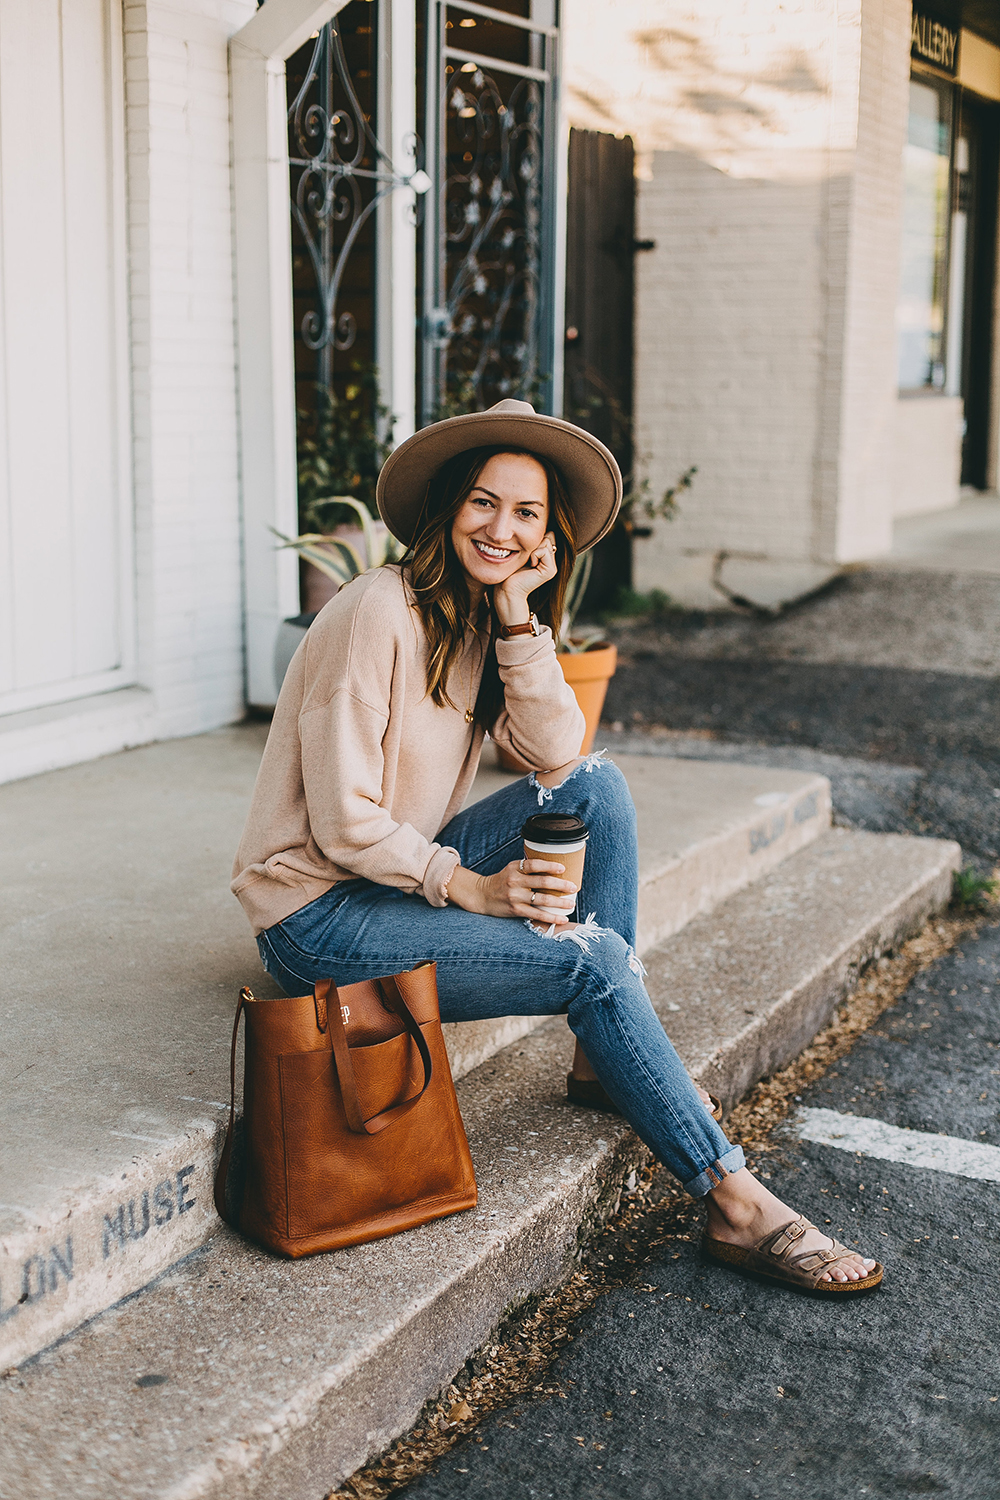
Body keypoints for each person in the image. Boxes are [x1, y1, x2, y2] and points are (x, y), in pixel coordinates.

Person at [232, 399, 882, 1295]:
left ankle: (598, 1059)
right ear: (448, 506)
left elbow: (558, 755)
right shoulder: (373, 612)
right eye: (483, 503)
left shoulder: (470, 612)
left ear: (547, 536)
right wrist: (472, 887)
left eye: (526, 514)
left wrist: (512, 614)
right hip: (317, 916)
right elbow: (345, 825)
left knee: (597, 784)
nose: (501, 528)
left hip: (390, 878)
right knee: (594, 962)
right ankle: (732, 1198)